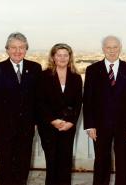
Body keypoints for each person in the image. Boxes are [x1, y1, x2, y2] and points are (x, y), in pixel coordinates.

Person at [0, 32, 42, 185]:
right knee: (5, 166)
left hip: (26, 127)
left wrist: (36, 121)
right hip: (4, 127)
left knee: (23, 166)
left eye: (22, 47)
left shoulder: (35, 68)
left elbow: (38, 98)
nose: (18, 51)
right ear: (7, 49)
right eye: (14, 47)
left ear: (26, 49)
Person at [83, 35, 126, 185]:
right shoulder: (92, 70)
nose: (112, 51)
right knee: (101, 161)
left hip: (125, 125)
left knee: (125, 163)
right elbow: (87, 100)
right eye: (108, 47)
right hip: (100, 125)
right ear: (103, 49)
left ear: (120, 48)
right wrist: (89, 125)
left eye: (115, 47)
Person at [36, 43, 82, 185]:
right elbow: (39, 102)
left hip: (68, 127)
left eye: (65, 55)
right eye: (59, 55)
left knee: (65, 163)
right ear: (53, 57)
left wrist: (71, 122)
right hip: (48, 127)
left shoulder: (76, 77)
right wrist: (53, 120)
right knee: (52, 163)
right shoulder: (43, 76)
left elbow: (78, 103)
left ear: (70, 57)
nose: (62, 58)